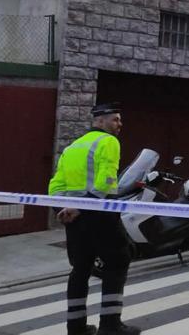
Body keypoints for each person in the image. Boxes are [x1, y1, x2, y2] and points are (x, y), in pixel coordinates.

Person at [48, 103, 139, 335]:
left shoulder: (73, 147)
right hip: (100, 215)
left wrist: (64, 208)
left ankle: (76, 328)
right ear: (100, 121)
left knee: (80, 269)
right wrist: (81, 208)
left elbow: (56, 184)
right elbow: (107, 180)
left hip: (75, 221)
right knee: (118, 262)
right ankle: (110, 325)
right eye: (115, 120)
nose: (120, 125)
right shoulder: (108, 142)